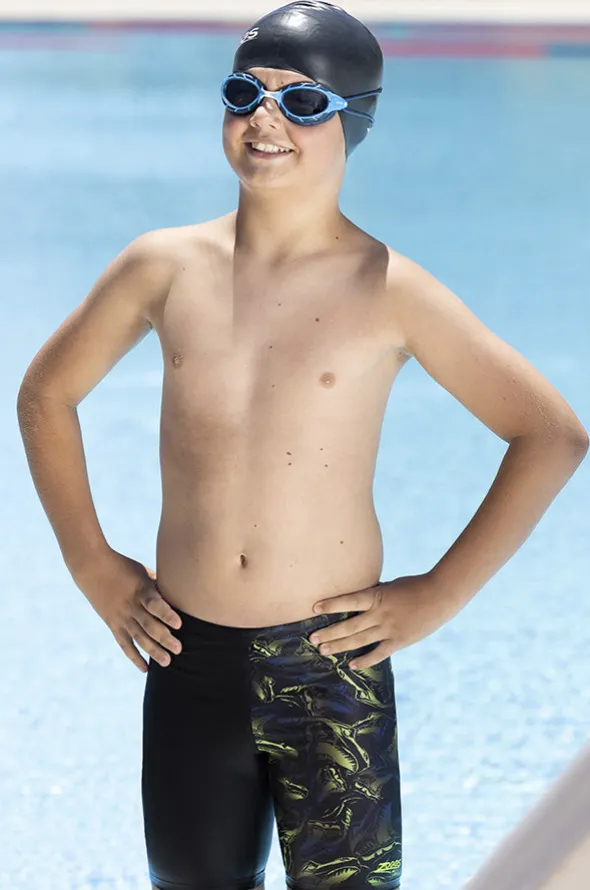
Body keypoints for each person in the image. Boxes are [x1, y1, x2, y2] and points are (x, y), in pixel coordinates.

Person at [15, 2, 588, 889]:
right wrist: (92, 564)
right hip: (188, 658)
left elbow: (550, 433)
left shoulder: (391, 290)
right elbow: (46, 395)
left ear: (354, 120)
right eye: (245, 93)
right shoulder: (162, 266)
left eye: (302, 102)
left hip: (328, 670)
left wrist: (438, 594)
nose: (265, 120)